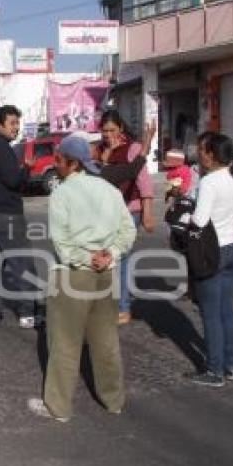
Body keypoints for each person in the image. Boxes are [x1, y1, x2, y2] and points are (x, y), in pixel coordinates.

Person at [28, 134, 136, 422]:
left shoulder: (62, 194)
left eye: (60, 160)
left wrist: (88, 258)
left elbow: (62, 245)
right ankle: (114, 400)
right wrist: (109, 255)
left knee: (64, 344)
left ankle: (59, 407)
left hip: (73, 276)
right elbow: (128, 232)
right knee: (106, 342)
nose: (56, 163)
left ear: (73, 163)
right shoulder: (109, 190)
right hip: (106, 275)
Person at [188, 133, 233, 387]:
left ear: (211, 154)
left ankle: (214, 370)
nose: (198, 153)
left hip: (212, 251)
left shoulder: (209, 182)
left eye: (201, 149)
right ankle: (231, 364)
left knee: (210, 314)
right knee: (227, 311)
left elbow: (200, 220)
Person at [0, 104, 37, 329]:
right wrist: (27, 168)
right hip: (7, 214)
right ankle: (27, 311)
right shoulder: (2, 148)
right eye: (12, 123)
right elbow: (13, 181)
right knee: (20, 261)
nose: (16, 128)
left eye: (17, 123)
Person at [98, 110, 155, 325]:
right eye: (104, 130)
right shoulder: (103, 150)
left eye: (112, 130)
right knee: (110, 257)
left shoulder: (133, 148)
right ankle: (114, 302)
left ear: (121, 128)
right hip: (110, 211)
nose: (108, 134)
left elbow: (143, 182)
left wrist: (148, 213)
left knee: (120, 257)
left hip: (131, 210)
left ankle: (123, 307)